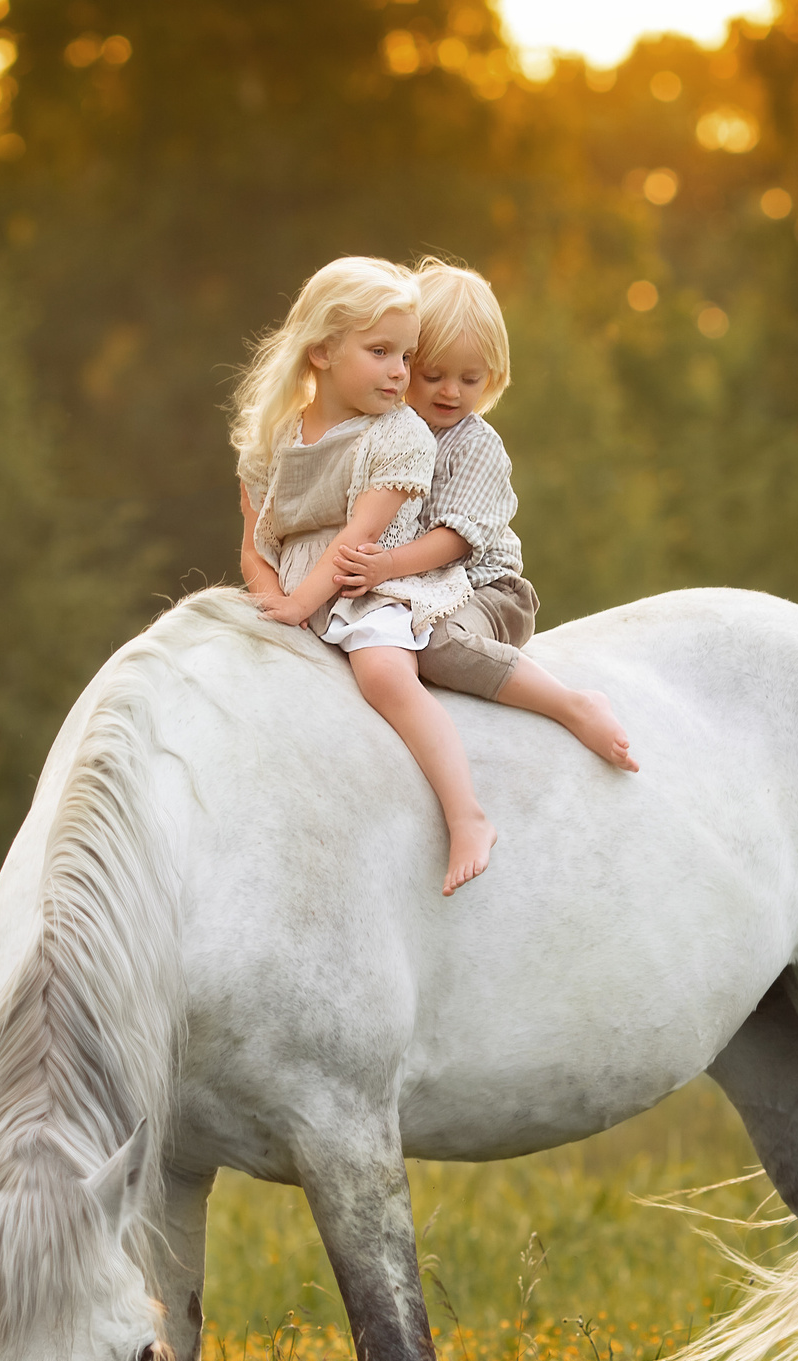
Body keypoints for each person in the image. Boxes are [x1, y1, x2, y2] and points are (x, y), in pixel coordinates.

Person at [232, 256, 494, 894]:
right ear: (320, 350)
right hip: (296, 591)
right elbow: (254, 547)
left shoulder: (400, 436)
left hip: (365, 587)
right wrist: (272, 602)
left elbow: (359, 541)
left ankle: (467, 815)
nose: (400, 373)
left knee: (383, 673)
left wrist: (299, 610)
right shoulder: (271, 439)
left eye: (406, 357)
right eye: (381, 352)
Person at [333, 260, 636, 772]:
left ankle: (575, 705)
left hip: (484, 588)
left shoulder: (476, 446)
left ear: (491, 378)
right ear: (405, 364)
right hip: (413, 588)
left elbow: (454, 541)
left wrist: (382, 567)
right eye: (433, 375)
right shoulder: (384, 431)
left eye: (469, 378)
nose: (450, 391)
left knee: (440, 646)